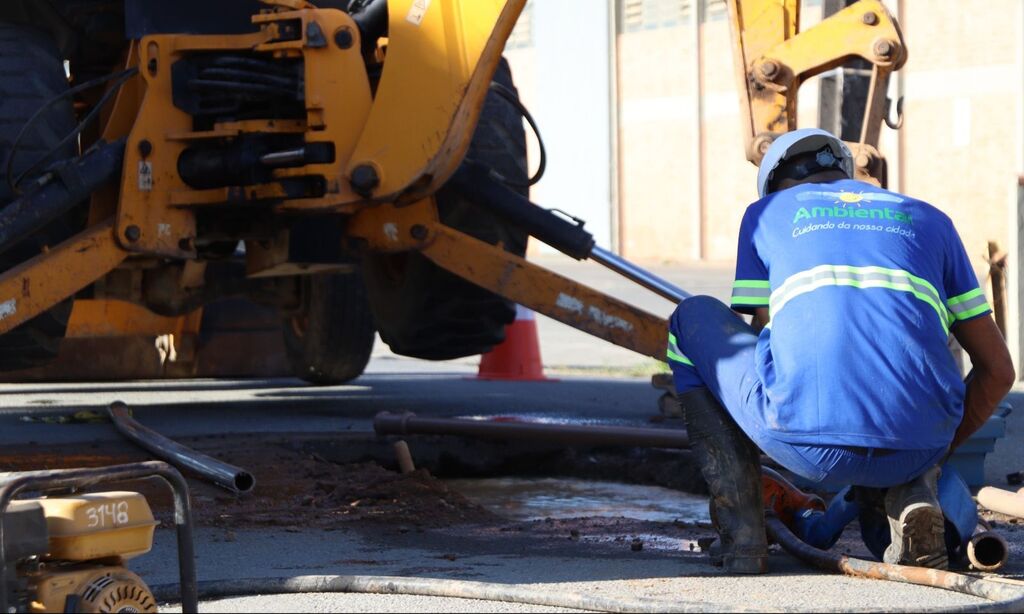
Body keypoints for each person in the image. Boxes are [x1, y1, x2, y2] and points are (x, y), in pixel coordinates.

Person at [667, 128, 1015, 574]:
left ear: (775, 183)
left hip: (804, 441)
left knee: (690, 317)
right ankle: (913, 491)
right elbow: (999, 371)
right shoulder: (932, 219)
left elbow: (771, 338)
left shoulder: (766, 214)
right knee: (914, 465)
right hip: (919, 443)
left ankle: (743, 537)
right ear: (844, 173)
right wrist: (936, 454)